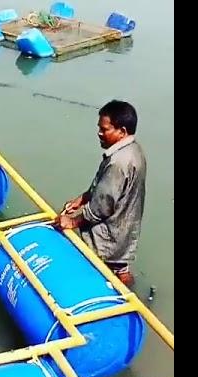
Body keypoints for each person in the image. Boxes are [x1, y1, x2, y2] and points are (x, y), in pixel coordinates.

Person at [53, 100, 146, 287]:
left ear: (122, 131)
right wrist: (83, 198)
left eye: (105, 130)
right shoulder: (134, 151)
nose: (99, 133)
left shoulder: (118, 162)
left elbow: (101, 208)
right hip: (124, 233)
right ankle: (133, 297)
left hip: (108, 236)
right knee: (121, 268)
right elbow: (110, 190)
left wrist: (71, 221)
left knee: (100, 272)